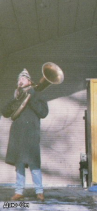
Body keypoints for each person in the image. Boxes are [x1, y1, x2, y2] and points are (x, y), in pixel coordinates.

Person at [1, 69, 49, 201]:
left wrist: (31, 97)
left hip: (31, 133)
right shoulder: (17, 95)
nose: (20, 81)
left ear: (29, 81)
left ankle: (39, 191)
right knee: (19, 163)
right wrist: (13, 98)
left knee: (34, 164)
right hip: (17, 134)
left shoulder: (37, 93)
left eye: (23, 78)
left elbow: (43, 113)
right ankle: (19, 191)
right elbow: (5, 112)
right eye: (19, 79)